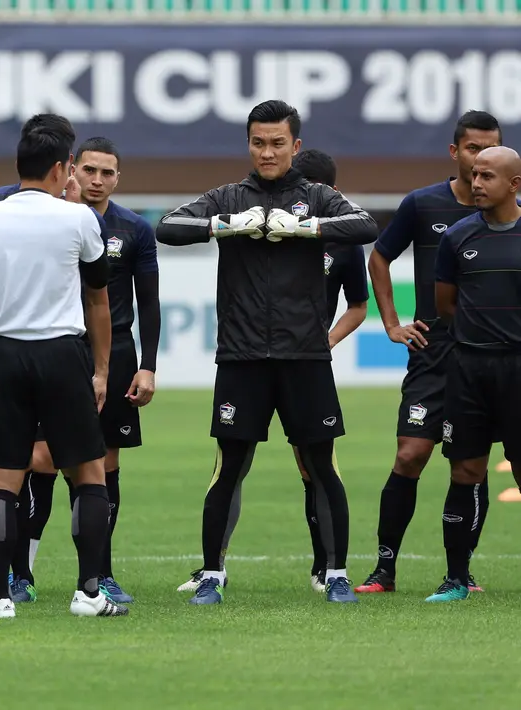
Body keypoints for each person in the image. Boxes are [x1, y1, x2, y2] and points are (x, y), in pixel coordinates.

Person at [156, 99, 378, 605]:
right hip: (242, 356)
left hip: (305, 357)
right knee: (229, 467)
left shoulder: (318, 197)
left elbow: (366, 226)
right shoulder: (229, 196)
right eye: (259, 142)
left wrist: (308, 229)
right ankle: (212, 574)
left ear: (295, 146)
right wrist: (223, 225)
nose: (268, 151)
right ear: (248, 144)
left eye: (278, 142)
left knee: (322, 466)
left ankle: (337, 573)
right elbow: (167, 226)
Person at [0, 114, 124, 620]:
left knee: (2, 480)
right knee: (89, 473)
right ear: (60, 168)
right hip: (62, 354)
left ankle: (0, 599)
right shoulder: (78, 219)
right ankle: (89, 593)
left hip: (6, 352)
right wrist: (100, 369)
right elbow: (98, 300)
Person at [355, 111, 503, 595]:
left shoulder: (507, 214)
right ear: (454, 151)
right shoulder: (423, 205)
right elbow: (378, 256)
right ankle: (384, 570)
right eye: (472, 150)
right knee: (410, 453)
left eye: (490, 150)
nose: (480, 159)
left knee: (471, 465)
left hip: (492, 358)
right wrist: (392, 323)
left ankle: (460, 573)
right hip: (434, 352)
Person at [9, 137, 161, 607]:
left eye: (107, 173)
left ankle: (100, 575)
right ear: (71, 169)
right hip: (52, 350)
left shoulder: (134, 229)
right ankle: (22, 572)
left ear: (118, 178)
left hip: (112, 354)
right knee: (40, 460)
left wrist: (148, 366)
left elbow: (148, 303)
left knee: (103, 465)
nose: (96, 181)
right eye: (89, 170)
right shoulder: (47, 218)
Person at [427, 145, 521, 602]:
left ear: (514, 185)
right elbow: (446, 305)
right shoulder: (458, 236)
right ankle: (456, 578)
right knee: (465, 470)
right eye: (474, 174)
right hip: (468, 369)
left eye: (487, 177)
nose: (476, 183)